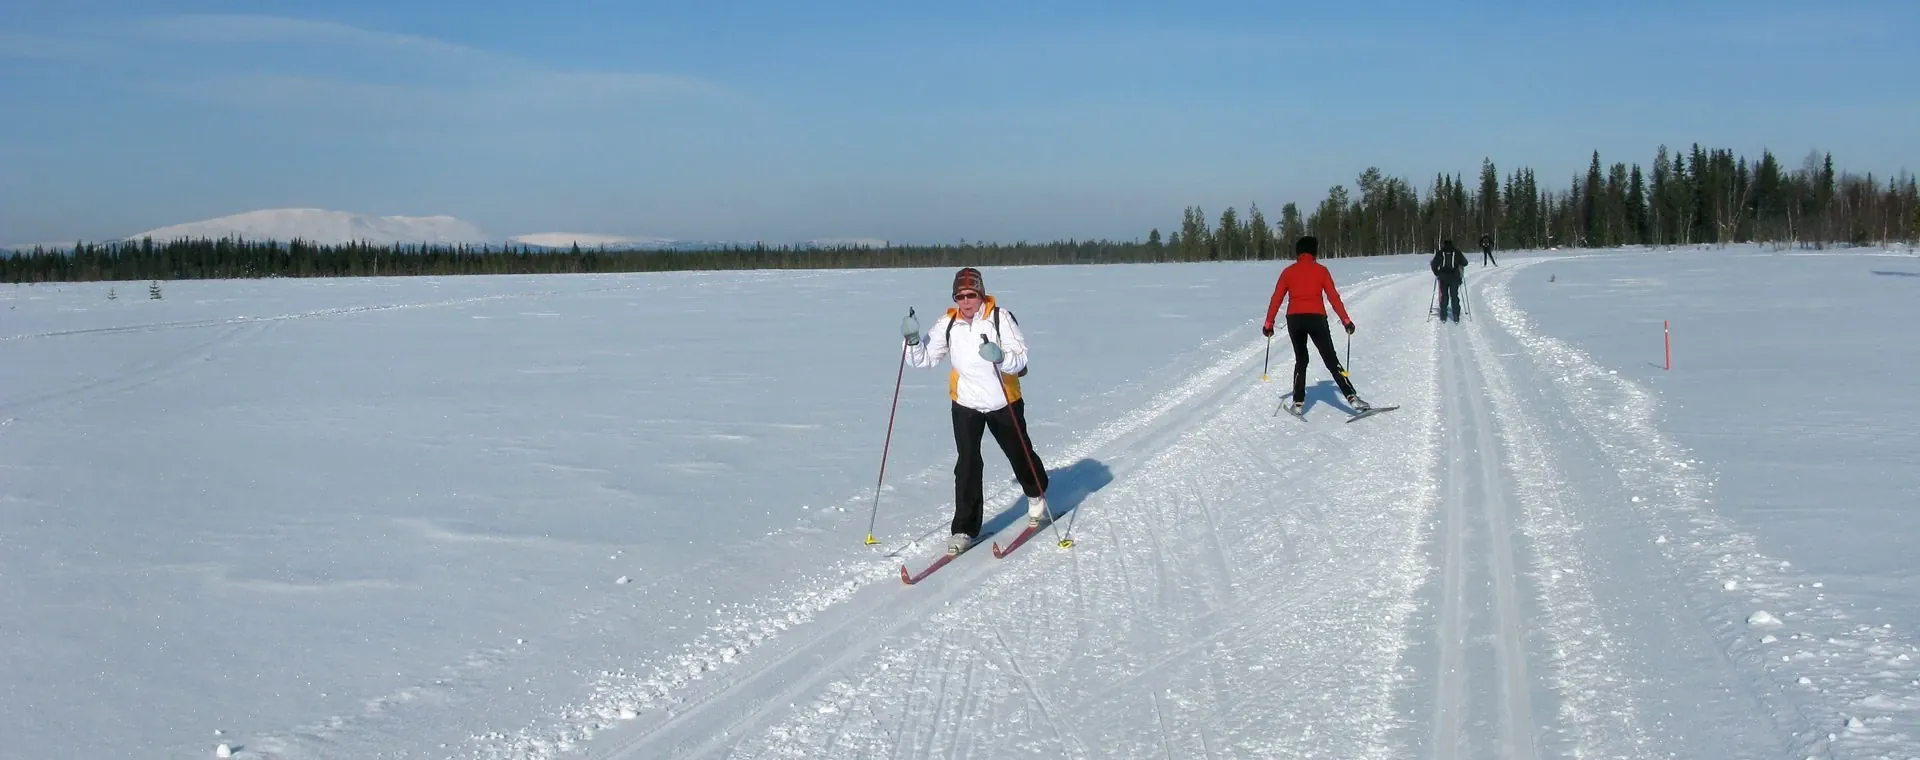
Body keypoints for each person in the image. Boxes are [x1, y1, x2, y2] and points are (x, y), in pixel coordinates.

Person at [900, 267, 1050, 556]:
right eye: (960, 296)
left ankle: (1036, 496)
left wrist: (1002, 356)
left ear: (981, 294)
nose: (966, 302)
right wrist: (913, 341)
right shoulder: (949, 323)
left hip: (1003, 400)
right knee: (967, 464)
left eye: (971, 295)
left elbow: (1021, 358)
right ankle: (964, 529)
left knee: (1020, 454)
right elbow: (924, 360)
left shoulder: (999, 318)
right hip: (966, 403)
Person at [1262, 236, 1372, 417]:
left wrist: (1268, 323)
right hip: (1316, 319)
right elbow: (1333, 297)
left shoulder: (1288, 272)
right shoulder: (1321, 271)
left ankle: (1298, 403)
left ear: (1298, 252)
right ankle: (1352, 398)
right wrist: (1345, 320)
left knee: (1301, 359)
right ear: (1314, 252)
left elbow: (1276, 298)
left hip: (1294, 320)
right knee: (1331, 359)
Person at [1431, 239, 1468, 322]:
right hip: (1454, 277)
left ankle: (1443, 315)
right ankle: (1456, 315)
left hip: (1443, 278)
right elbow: (1465, 263)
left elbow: (1433, 264)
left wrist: (1437, 273)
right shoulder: (1457, 252)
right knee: (1454, 296)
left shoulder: (1440, 253)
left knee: (1444, 296)